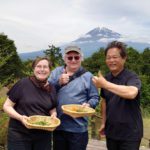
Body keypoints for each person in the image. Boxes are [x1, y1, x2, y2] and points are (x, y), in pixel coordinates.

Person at [92, 41, 143, 150]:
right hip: (112, 133)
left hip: (130, 134)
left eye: (115, 57)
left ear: (124, 58)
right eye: (108, 58)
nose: (111, 60)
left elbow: (131, 93)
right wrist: (103, 122)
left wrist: (105, 84)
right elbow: (104, 101)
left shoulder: (131, 77)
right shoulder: (106, 78)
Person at [49, 45, 99, 150]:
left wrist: (89, 104)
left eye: (76, 57)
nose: (73, 60)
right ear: (64, 58)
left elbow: (94, 97)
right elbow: (46, 91)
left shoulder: (88, 76)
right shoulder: (56, 72)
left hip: (78, 128)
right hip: (58, 126)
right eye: (69, 57)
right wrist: (58, 82)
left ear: (81, 58)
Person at [3, 57, 57, 150]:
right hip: (20, 134)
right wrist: (20, 117)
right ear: (34, 69)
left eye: (45, 67)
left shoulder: (52, 88)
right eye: (38, 66)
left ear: (49, 70)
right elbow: (7, 106)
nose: (42, 69)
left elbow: (52, 107)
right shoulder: (23, 84)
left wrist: (54, 115)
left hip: (43, 135)